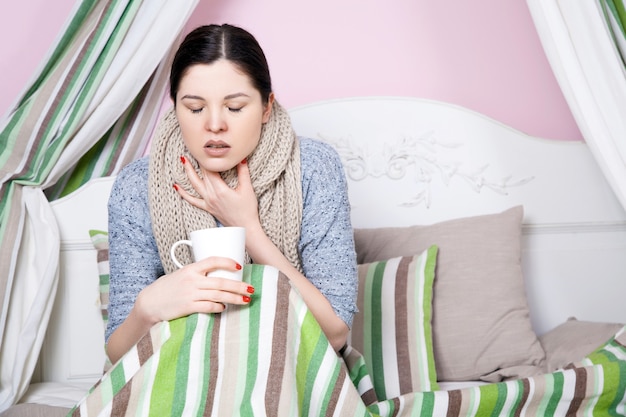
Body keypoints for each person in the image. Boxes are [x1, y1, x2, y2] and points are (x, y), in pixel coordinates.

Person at [105, 23, 358, 364]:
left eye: (235, 107)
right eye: (194, 108)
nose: (214, 124)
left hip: (290, 368)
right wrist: (148, 308)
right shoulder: (137, 185)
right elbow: (117, 353)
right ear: (175, 106)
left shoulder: (314, 168)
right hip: (183, 371)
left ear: (267, 106)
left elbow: (336, 333)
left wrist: (247, 227)